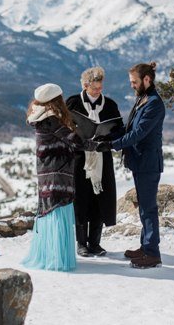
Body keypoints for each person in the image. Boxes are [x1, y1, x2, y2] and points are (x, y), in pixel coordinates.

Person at [91, 62, 165, 268]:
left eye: (134, 81)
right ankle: (145, 246)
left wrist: (111, 146)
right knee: (144, 207)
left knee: (149, 208)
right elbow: (129, 128)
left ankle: (152, 253)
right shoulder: (142, 99)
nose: (132, 85)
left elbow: (138, 134)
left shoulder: (154, 103)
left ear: (147, 80)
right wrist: (108, 135)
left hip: (148, 163)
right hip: (139, 161)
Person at [22, 83, 95, 272]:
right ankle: (58, 257)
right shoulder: (51, 119)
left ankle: (49, 254)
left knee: (49, 211)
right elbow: (75, 140)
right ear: (56, 100)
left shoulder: (40, 116)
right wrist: (100, 143)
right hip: (58, 172)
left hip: (47, 172)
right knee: (58, 211)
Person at [66, 66, 124, 257]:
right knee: (81, 198)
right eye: (94, 89)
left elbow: (119, 129)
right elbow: (64, 128)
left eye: (100, 88)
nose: (98, 91)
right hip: (80, 158)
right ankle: (81, 243)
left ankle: (95, 243)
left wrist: (106, 140)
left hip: (102, 157)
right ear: (85, 85)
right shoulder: (73, 103)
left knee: (100, 197)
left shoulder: (110, 105)